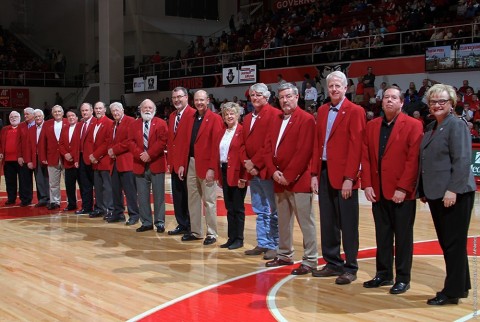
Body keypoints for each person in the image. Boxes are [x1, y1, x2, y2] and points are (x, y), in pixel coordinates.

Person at [361, 86, 423, 294]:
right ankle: (384, 274)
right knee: (382, 235)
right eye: (386, 97)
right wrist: (367, 184)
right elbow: (366, 157)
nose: (389, 100)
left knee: (403, 237)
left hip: (401, 193)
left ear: (401, 102)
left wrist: (403, 188)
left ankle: (403, 278)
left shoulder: (413, 125)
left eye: (393, 97)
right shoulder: (372, 125)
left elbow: (413, 161)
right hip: (378, 191)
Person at [418, 83, 476, 305]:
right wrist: (424, 189)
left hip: (455, 194)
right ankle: (461, 285)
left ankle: (451, 292)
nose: (437, 105)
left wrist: (453, 189)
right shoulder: (433, 126)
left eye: (442, 101)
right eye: (433, 101)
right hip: (436, 194)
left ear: (452, 104)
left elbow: (462, 161)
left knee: (452, 243)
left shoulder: (456, 125)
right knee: (451, 243)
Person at [311, 71, 366, 284]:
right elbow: (318, 144)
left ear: (345, 88)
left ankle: (351, 266)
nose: (334, 89)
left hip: (344, 176)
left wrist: (349, 178)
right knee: (328, 221)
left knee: (348, 223)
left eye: (338, 86)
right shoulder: (323, 110)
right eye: (331, 86)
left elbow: (356, 147)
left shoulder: (356, 110)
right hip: (324, 172)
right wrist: (314, 173)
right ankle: (333, 262)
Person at [263, 82, 318, 275]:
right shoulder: (276, 119)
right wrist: (273, 171)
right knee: (283, 220)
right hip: (279, 180)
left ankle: (311, 259)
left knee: (305, 221)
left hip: (299, 180)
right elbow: (267, 148)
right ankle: (285, 254)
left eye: (288, 96)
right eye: (282, 97)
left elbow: (304, 151)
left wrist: (288, 175)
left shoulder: (307, 119)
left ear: (297, 97)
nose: (285, 100)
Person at [242, 83, 283, 260]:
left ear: (267, 97)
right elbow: (242, 142)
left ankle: (275, 244)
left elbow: (270, 143)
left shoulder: (274, 114)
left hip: (265, 169)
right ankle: (263, 242)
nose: (255, 98)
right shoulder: (247, 117)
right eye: (252, 95)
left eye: (259, 95)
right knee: (259, 209)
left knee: (274, 208)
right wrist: (246, 162)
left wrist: (254, 163)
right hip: (252, 171)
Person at [182, 90, 223, 245]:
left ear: (208, 100)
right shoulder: (191, 118)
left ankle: (212, 233)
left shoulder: (215, 118)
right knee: (193, 199)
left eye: (202, 100)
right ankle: (196, 231)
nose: (199, 103)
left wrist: (212, 167)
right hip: (191, 163)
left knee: (209, 200)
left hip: (207, 165)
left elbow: (216, 146)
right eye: (197, 100)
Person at [129, 99, 168, 232]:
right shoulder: (134, 125)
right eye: (145, 107)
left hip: (156, 163)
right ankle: (146, 222)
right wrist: (141, 154)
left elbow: (162, 142)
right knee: (142, 195)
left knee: (159, 196)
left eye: (150, 107)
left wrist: (149, 154)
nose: (147, 110)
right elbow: (130, 143)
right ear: (140, 109)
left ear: (154, 110)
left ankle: (160, 222)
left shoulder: (161, 123)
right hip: (140, 164)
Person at [216, 102, 247, 250]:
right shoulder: (222, 131)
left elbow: (246, 155)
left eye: (231, 113)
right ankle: (231, 237)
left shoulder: (242, 131)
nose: (229, 116)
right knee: (229, 207)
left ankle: (239, 239)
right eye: (226, 114)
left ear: (237, 115)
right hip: (224, 170)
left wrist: (244, 177)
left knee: (238, 208)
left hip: (237, 172)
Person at [167, 87, 196, 236]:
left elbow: (189, 143)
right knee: (178, 196)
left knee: (189, 197)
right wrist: (170, 162)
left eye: (179, 97)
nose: (177, 100)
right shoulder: (172, 116)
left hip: (186, 165)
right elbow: (171, 142)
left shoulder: (193, 114)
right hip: (174, 164)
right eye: (174, 98)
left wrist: (183, 164)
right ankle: (182, 224)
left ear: (186, 97)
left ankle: (192, 226)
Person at [107, 102, 140, 224]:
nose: (115, 113)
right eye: (113, 111)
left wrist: (114, 150)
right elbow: (109, 141)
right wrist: (110, 151)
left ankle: (134, 215)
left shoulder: (131, 121)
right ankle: (118, 213)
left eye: (117, 110)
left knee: (130, 191)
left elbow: (129, 141)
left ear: (122, 110)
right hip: (114, 162)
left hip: (126, 162)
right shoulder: (112, 124)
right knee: (115, 190)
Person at [87, 101, 114, 218]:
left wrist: (95, 155)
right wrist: (92, 156)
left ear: (104, 110)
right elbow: (90, 142)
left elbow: (107, 142)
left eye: (100, 108)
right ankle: (100, 208)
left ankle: (109, 209)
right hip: (95, 162)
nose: (98, 110)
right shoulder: (94, 124)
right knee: (97, 187)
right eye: (96, 108)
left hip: (105, 160)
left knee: (107, 187)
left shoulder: (109, 123)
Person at [39, 105, 67, 210]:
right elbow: (42, 142)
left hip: (66, 158)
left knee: (69, 182)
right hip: (52, 157)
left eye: (59, 111)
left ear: (63, 112)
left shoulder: (68, 122)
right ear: (52, 113)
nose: (57, 113)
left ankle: (71, 201)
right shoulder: (47, 124)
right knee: (53, 183)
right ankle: (55, 202)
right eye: (55, 111)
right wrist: (43, 157)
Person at [24, 109, 50, 208]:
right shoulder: (31, 130)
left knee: (48, 179)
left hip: (47, 158)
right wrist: (29, 160)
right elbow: (28, 146)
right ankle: (42, 198)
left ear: (43, 117)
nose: (38, 118)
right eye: (36, 117)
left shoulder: (48, 126)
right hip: (36, 158)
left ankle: (49, 199)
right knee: (39, 179)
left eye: (39, 116)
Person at [76, 103, 97, 215]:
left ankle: (98, 207)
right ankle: (86, 207)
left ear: (91, 111)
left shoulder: (96, 122)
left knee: (97, 185)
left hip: (93, 158)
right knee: (85, 185)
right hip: (82, 159)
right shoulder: (80, 124)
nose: (84, 112)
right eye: (82, 110)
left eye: (86, 110)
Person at [59, 109, 82, 211]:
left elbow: (80, 145)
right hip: (68, 162)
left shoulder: (81, 127)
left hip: (79, 162)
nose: (71, 117)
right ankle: (71, 204)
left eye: (73, 115)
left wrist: (72, 154)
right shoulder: (64, 128)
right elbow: (61, 144)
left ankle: (86, 205)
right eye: (68, 116)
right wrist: (65, 154)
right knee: (69, 185)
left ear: (77, 117)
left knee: (83, 185)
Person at [0, 112, 23, 205]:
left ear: (20, 118)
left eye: (15, 116)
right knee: (10, 181)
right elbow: (1, 143)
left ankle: (24, 199)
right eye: (11, 117)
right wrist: (1, 152)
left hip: (20, 160)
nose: (13, 118)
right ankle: (11, 198)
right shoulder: (4, 129)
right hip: (8, 160)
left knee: (23, 180)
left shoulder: (23, 128)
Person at [16, 107, 35, 207]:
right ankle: (25, 199)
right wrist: (19, 156)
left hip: (36, 157)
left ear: (33, 115)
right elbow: (18, 142)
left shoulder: (38, 124)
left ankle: (43, 199)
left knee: (41, 180)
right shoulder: (21, 126)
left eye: (27, 114)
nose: (25, 116)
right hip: (24, 157)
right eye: (25, 114)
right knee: (24, 180)